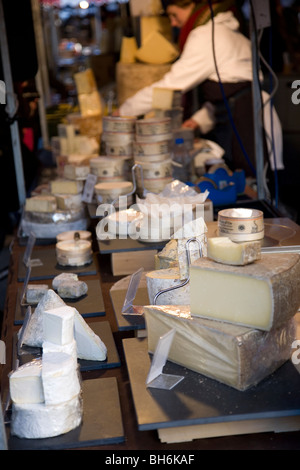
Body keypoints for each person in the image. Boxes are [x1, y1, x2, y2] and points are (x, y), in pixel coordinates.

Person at [114, 0, 283, 178]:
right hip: (243, 115)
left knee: (250, 183)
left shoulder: (207, 35)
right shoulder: (223, 31)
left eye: (174, 14)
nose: (172, 22)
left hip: (245, 123)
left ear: (191, 6)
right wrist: (199, 120)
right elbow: (229, 92)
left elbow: (170, 86)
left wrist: (125, 111)